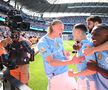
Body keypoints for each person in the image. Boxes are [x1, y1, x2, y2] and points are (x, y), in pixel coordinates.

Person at [37, 19, 85, 90]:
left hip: (66, 71)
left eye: (63, 28)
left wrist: (68, 56)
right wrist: (71, 61)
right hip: (55, 76)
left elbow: (62, 52)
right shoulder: (43, 43)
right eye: (60, 28)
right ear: (53, 27)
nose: (62, 30)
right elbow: (51, 62)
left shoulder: (59, 38)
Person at [70, 24, 108, 90]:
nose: (92, 37)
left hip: (88, 81)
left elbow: (91, 71)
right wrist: (78, 44)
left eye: (97, 35)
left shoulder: (91, 47)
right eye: (92, 34)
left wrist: (97, 68)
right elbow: (86, 42)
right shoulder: (91, 44)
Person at [68, 23, 96, 90]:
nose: (72, 34)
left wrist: (73, 74)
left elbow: (92, 70)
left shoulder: (86, 46)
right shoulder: (81, 44)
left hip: (87, 81)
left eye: (73, 31)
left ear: (78, 32)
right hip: (83, 79)